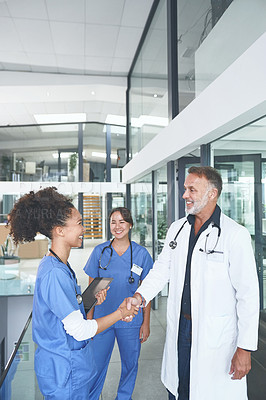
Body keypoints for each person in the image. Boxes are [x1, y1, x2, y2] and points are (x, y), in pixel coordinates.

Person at [126, 166, 260, 400]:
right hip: (181, 326)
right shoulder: (177, 229)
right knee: (179, 388)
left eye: (191, 190)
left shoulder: (234, 235)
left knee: (210, 390)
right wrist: (140, 297)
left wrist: (245, 347)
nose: (184, 195)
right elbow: (161, 269)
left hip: (215, 334)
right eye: (185, 189)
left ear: (212, 194)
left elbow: (248, 295)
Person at [7, 188, 139, 400]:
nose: (83, 229)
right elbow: (79, 330)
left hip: (70, 369)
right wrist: (120, 313)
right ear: (59, 230)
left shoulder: (59, 265)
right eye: (79, 223)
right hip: (63, 373)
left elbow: (65, 310)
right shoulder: (53, 273)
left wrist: (90, 300)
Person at [84, 207, 154, 400]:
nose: (117, 226)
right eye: (113, 222)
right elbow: (91, 292)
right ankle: (91, 397)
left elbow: (147, 291)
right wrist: (89, 323)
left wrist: (146, 323)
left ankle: (123, 397)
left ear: (130, 225)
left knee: (130, 365)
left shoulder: (141, 254)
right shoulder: (100, 251)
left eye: (122, 222)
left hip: (130, 321)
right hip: (102, 319)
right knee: (96, 365)